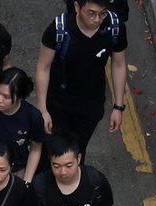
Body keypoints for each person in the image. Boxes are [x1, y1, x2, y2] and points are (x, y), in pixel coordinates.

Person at [35, 0, 128, 156]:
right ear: (77, 7)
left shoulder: (114, 26)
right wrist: (42, 110)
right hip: (58, 103)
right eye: (91, 14)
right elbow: (43, 68)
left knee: (77, 151)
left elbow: (119, 64)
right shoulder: (59, 29)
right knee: (51, 151)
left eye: (102, 14)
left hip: (91, 105)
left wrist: (118, 107)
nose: (97, 20)